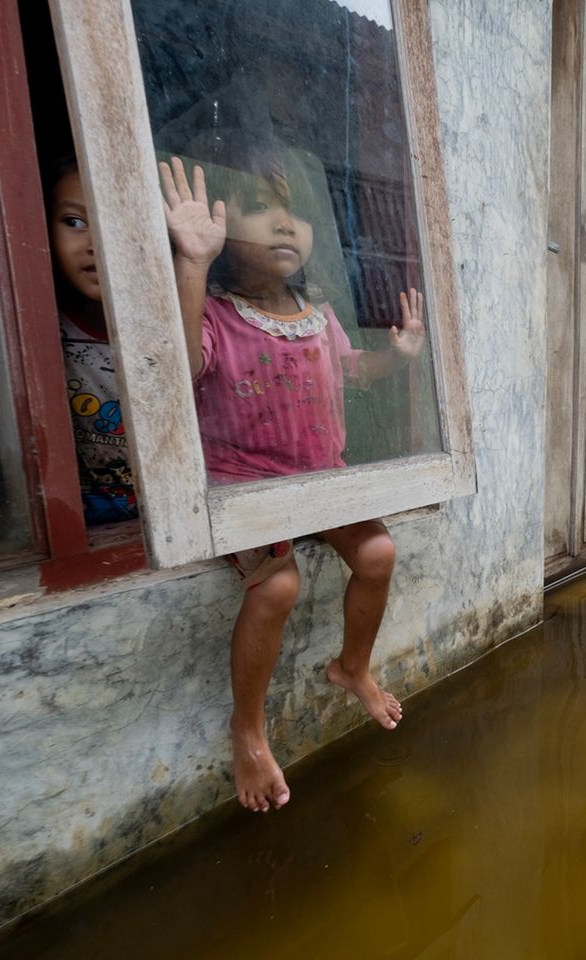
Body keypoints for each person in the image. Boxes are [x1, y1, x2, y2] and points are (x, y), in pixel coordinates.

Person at [158, 147, 424, 814]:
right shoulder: (217, 314)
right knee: (277, 584)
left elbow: (352, 372)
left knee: (379, 552)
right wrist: (190, 263)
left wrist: (397, 356)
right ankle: (247, 728)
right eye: (260, 208)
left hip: (319, 483)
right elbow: (181, 365)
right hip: (244, 486)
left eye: (296, 212)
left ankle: (352, 666)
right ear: (222, 225)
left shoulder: (318, 315)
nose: (284, 225)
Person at [49, 158, 139, 526]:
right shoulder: (40, 333)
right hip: (82, 522)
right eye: (75, 222)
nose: (97, 242)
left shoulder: (182, 329)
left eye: (120, 223)